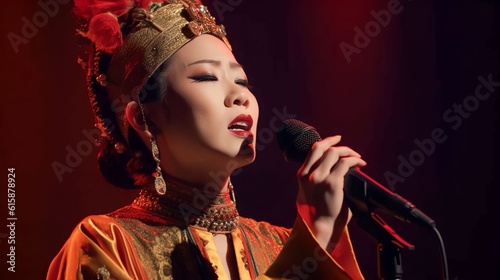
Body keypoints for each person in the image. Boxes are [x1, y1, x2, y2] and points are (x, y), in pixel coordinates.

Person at [47, 0, 367, 279]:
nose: (240, 95)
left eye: (242, 80)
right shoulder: (105, 244)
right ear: (145, 119)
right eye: (206, 77)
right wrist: (311, 245)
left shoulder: (279, 244)